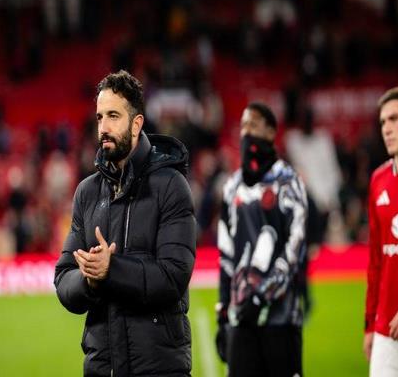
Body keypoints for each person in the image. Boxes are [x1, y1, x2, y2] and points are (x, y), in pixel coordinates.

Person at [54, 70, 196, 376]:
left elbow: (174, 276)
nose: (103, 128)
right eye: (99, 117)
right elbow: (63, 279)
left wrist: (111, 269)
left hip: (159, 368)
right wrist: (89, 281)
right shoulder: (87, 192)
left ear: (136, 124)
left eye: (113, 116)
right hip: (102, 367)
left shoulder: (170, 186)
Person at [215, 102, 307, 377]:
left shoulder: (289, 183)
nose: (246, 132)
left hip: (282, 319)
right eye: (243, 126)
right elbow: (225, 254)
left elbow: (296, 248)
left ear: (270, 132)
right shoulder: (232, 187)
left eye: (253, 125)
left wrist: (260, 297)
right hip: (241, 320)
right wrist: (223, 312)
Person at [363, 87, 398, 377]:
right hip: (385, 331)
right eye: (382, 122)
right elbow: (376, 261)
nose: (386, 129)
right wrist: (369, 325)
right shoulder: (378, 180)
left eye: (394, 119)